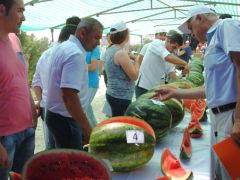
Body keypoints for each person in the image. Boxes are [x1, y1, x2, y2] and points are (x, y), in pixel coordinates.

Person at [158, 4, 240, 179]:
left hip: (232, 115)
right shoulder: (211, 44)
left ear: (200, 18)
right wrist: (174, 93)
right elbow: (208, 89)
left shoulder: (226, 26)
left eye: (190, 28)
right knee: (222, 173)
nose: (191, 34)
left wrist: (239, 120)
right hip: (218, 117)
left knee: (233, 174)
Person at [46, 18, 103, 149]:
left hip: (56, 116)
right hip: (66, 119)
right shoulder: (75, 54)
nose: (98, 43)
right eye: (96, 38)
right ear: (82, 33)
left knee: (61, 156)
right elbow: (69, 96)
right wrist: (86, 127)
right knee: (70, 161)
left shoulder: (63, 47)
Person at [0, 0, 37, 179]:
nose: (24, 17)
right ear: (1, 9)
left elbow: (22, 80)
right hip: (4, 137)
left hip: (27, 129)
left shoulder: (15, 39)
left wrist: (32, 111)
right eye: (20, 11)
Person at [32, 16, 81, 149]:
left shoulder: (45, 54)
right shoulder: (69, 54)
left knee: (51, 145)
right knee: (62, 149)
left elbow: (36, 81)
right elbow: (68, 93)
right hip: (63, 113)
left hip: (47, 108)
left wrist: (42, 100)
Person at [135, 30, 189, 98]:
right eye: (173, 47)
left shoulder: (168, 53)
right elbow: (167, 57)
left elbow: (171, 72)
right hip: (143, 86)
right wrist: (185, 63)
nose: (173, 50)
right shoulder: (157, 43)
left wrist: (182, 86)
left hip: (154, 89)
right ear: (168, 40)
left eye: (176, 49)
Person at [104, 21, 140, 116]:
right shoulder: (121, 53)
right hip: (121, 97)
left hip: (112, 93)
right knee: (123, 125)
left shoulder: (109, 50)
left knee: (117, 121)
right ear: (125, 36)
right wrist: (136, 60)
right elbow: (134, 76)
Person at [85, 45, 101, 127]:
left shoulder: (95, 48)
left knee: (84, 108)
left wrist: (77, 65)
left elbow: (93, 67)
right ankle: (96, 128)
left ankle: (93, 130)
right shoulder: (82, 47)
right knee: (87, 109)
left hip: (91, 83)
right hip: (84, 84)